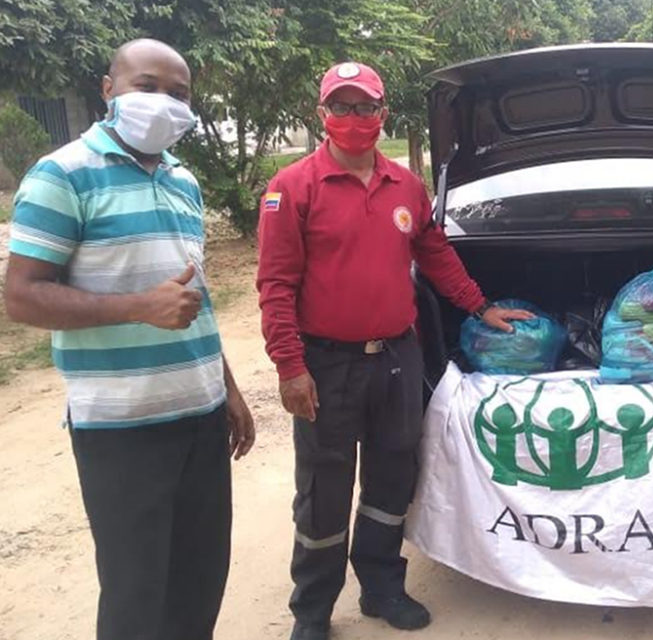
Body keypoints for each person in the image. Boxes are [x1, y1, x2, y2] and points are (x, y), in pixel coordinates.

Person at [256, 61, 532, 640]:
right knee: (323, 491)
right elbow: (276, 285)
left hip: (398, 359)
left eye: (364, 107)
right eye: (342, 106)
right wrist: (289, 366)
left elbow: (434, 255)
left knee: (392, 480)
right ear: (322, 113)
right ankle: (312, 610)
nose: (353, 119)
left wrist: (480, 307)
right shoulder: (292, 188)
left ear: (382, 114)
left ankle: (381, 586)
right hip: (326, 363)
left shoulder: (407, 186)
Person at [3, 38, 255, 640]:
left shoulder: (182, 180)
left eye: (179, 94)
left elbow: (194, 299)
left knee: (200, 580)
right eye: (147, 86)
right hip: (121, 426)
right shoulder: (62, 174)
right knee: (137, 594)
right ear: (109, 90)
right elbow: (21, 295)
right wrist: (137, 307)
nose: (163, 102)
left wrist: (229, 389)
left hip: (200, 414)